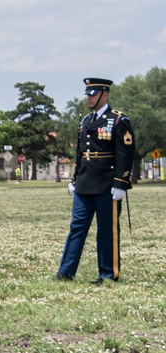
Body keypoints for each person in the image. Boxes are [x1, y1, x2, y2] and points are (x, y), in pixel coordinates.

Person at [55, 78, 135, 284]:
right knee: (76, 229)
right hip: (84, 184)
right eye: (88, 94)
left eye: (93, 94)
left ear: (105, 95)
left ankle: (108, 274)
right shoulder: (85, 121)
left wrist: (120, 183)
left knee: (107, 231)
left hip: (107, 185)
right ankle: (65, 272)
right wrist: (74, 179)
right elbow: (80, 153)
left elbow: (125, 154)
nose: (89, 98)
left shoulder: (118, 120)